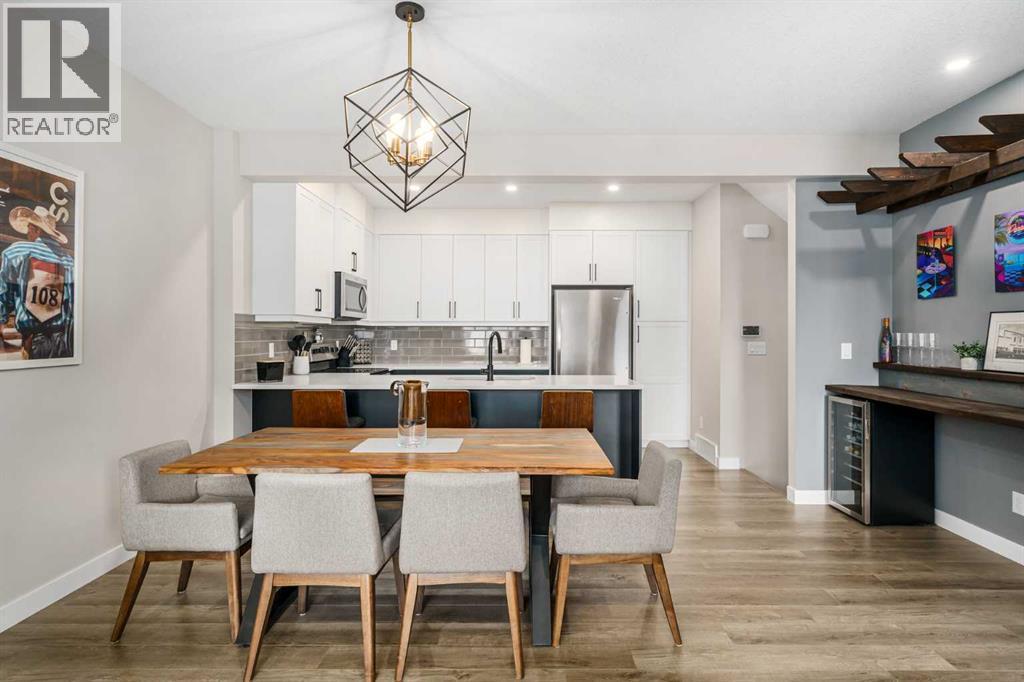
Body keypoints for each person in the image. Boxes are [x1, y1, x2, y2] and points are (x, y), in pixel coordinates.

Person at [0, 205, 75, 359]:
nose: (28, 232)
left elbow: (4, 294)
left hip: (31, 339)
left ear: (37, 229)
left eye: (29, 228)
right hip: (63, 340)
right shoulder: (69, 261)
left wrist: (2, 319)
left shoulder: (17, 252)